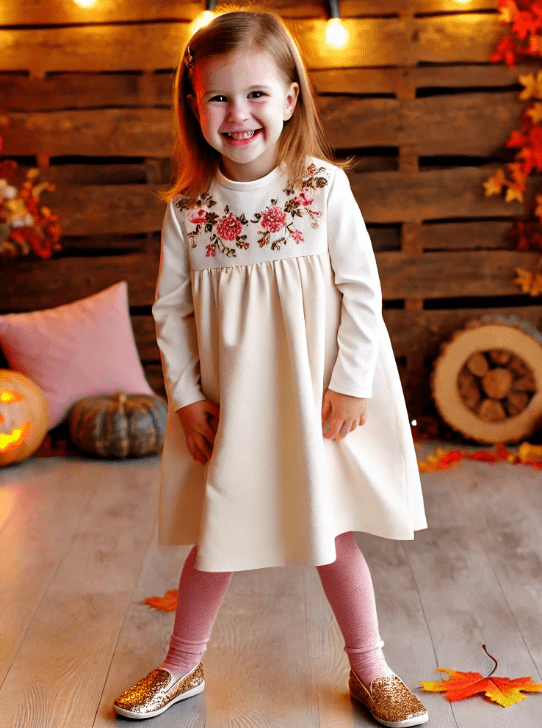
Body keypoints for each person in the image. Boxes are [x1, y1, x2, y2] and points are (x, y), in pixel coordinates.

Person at [114, 8, 429, 726]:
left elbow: (361, 290)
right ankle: (182, 664)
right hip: (236, 403)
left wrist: (351, 381)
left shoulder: (320, 190)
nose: (238, 113)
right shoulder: (190, 211)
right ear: (194, 108)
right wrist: (188, 399)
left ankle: (370, 668)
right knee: (217, 534)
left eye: (256, 93)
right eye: (217, 97)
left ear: (290, 97)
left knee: (332, 531)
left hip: (316, 398)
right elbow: (170, 312)